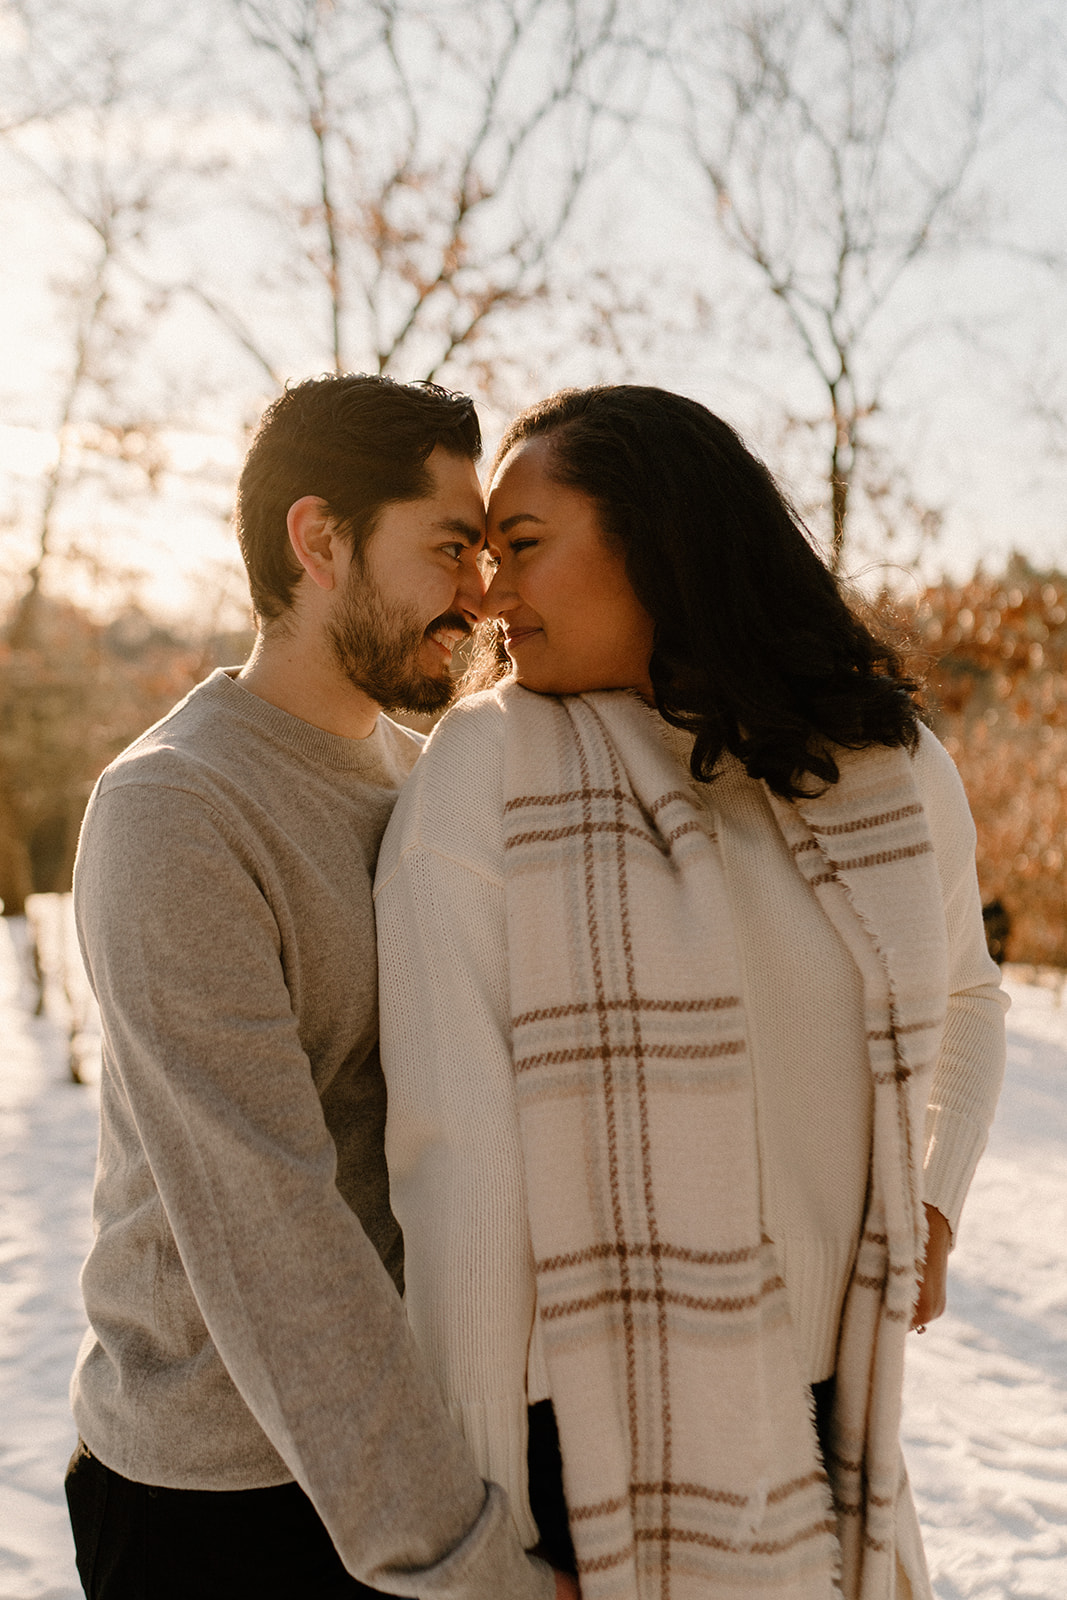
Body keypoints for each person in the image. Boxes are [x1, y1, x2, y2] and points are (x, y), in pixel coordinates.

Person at [374, 385, 1007, 1599]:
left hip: (839, 1402)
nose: (491, 597)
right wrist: (489, 1535)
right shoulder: (489, 770)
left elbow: (967, 1000)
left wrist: (928, 1206)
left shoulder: (878, 762)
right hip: (589, 1434)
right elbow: (460, 1176)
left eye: (524, 547)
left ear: (661, 537)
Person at [65, 374, 574, 1600]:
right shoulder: (175, 811)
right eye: (449, 545)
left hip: (417, 1435)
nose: (481, 593)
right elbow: (270, 1225)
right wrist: (462, 1563)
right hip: (220, 1497)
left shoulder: (427, 777)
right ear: (319, 540)